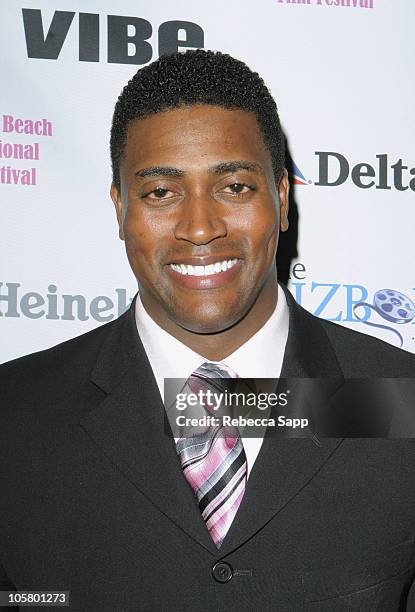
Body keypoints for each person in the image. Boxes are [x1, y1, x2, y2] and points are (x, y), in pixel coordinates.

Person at [1, 49, 415, 611]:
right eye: (161, 193)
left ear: (282, 200)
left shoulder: (399, 401)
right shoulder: (15, 413)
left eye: (236, 187)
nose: (200, 228)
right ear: (120, 207)